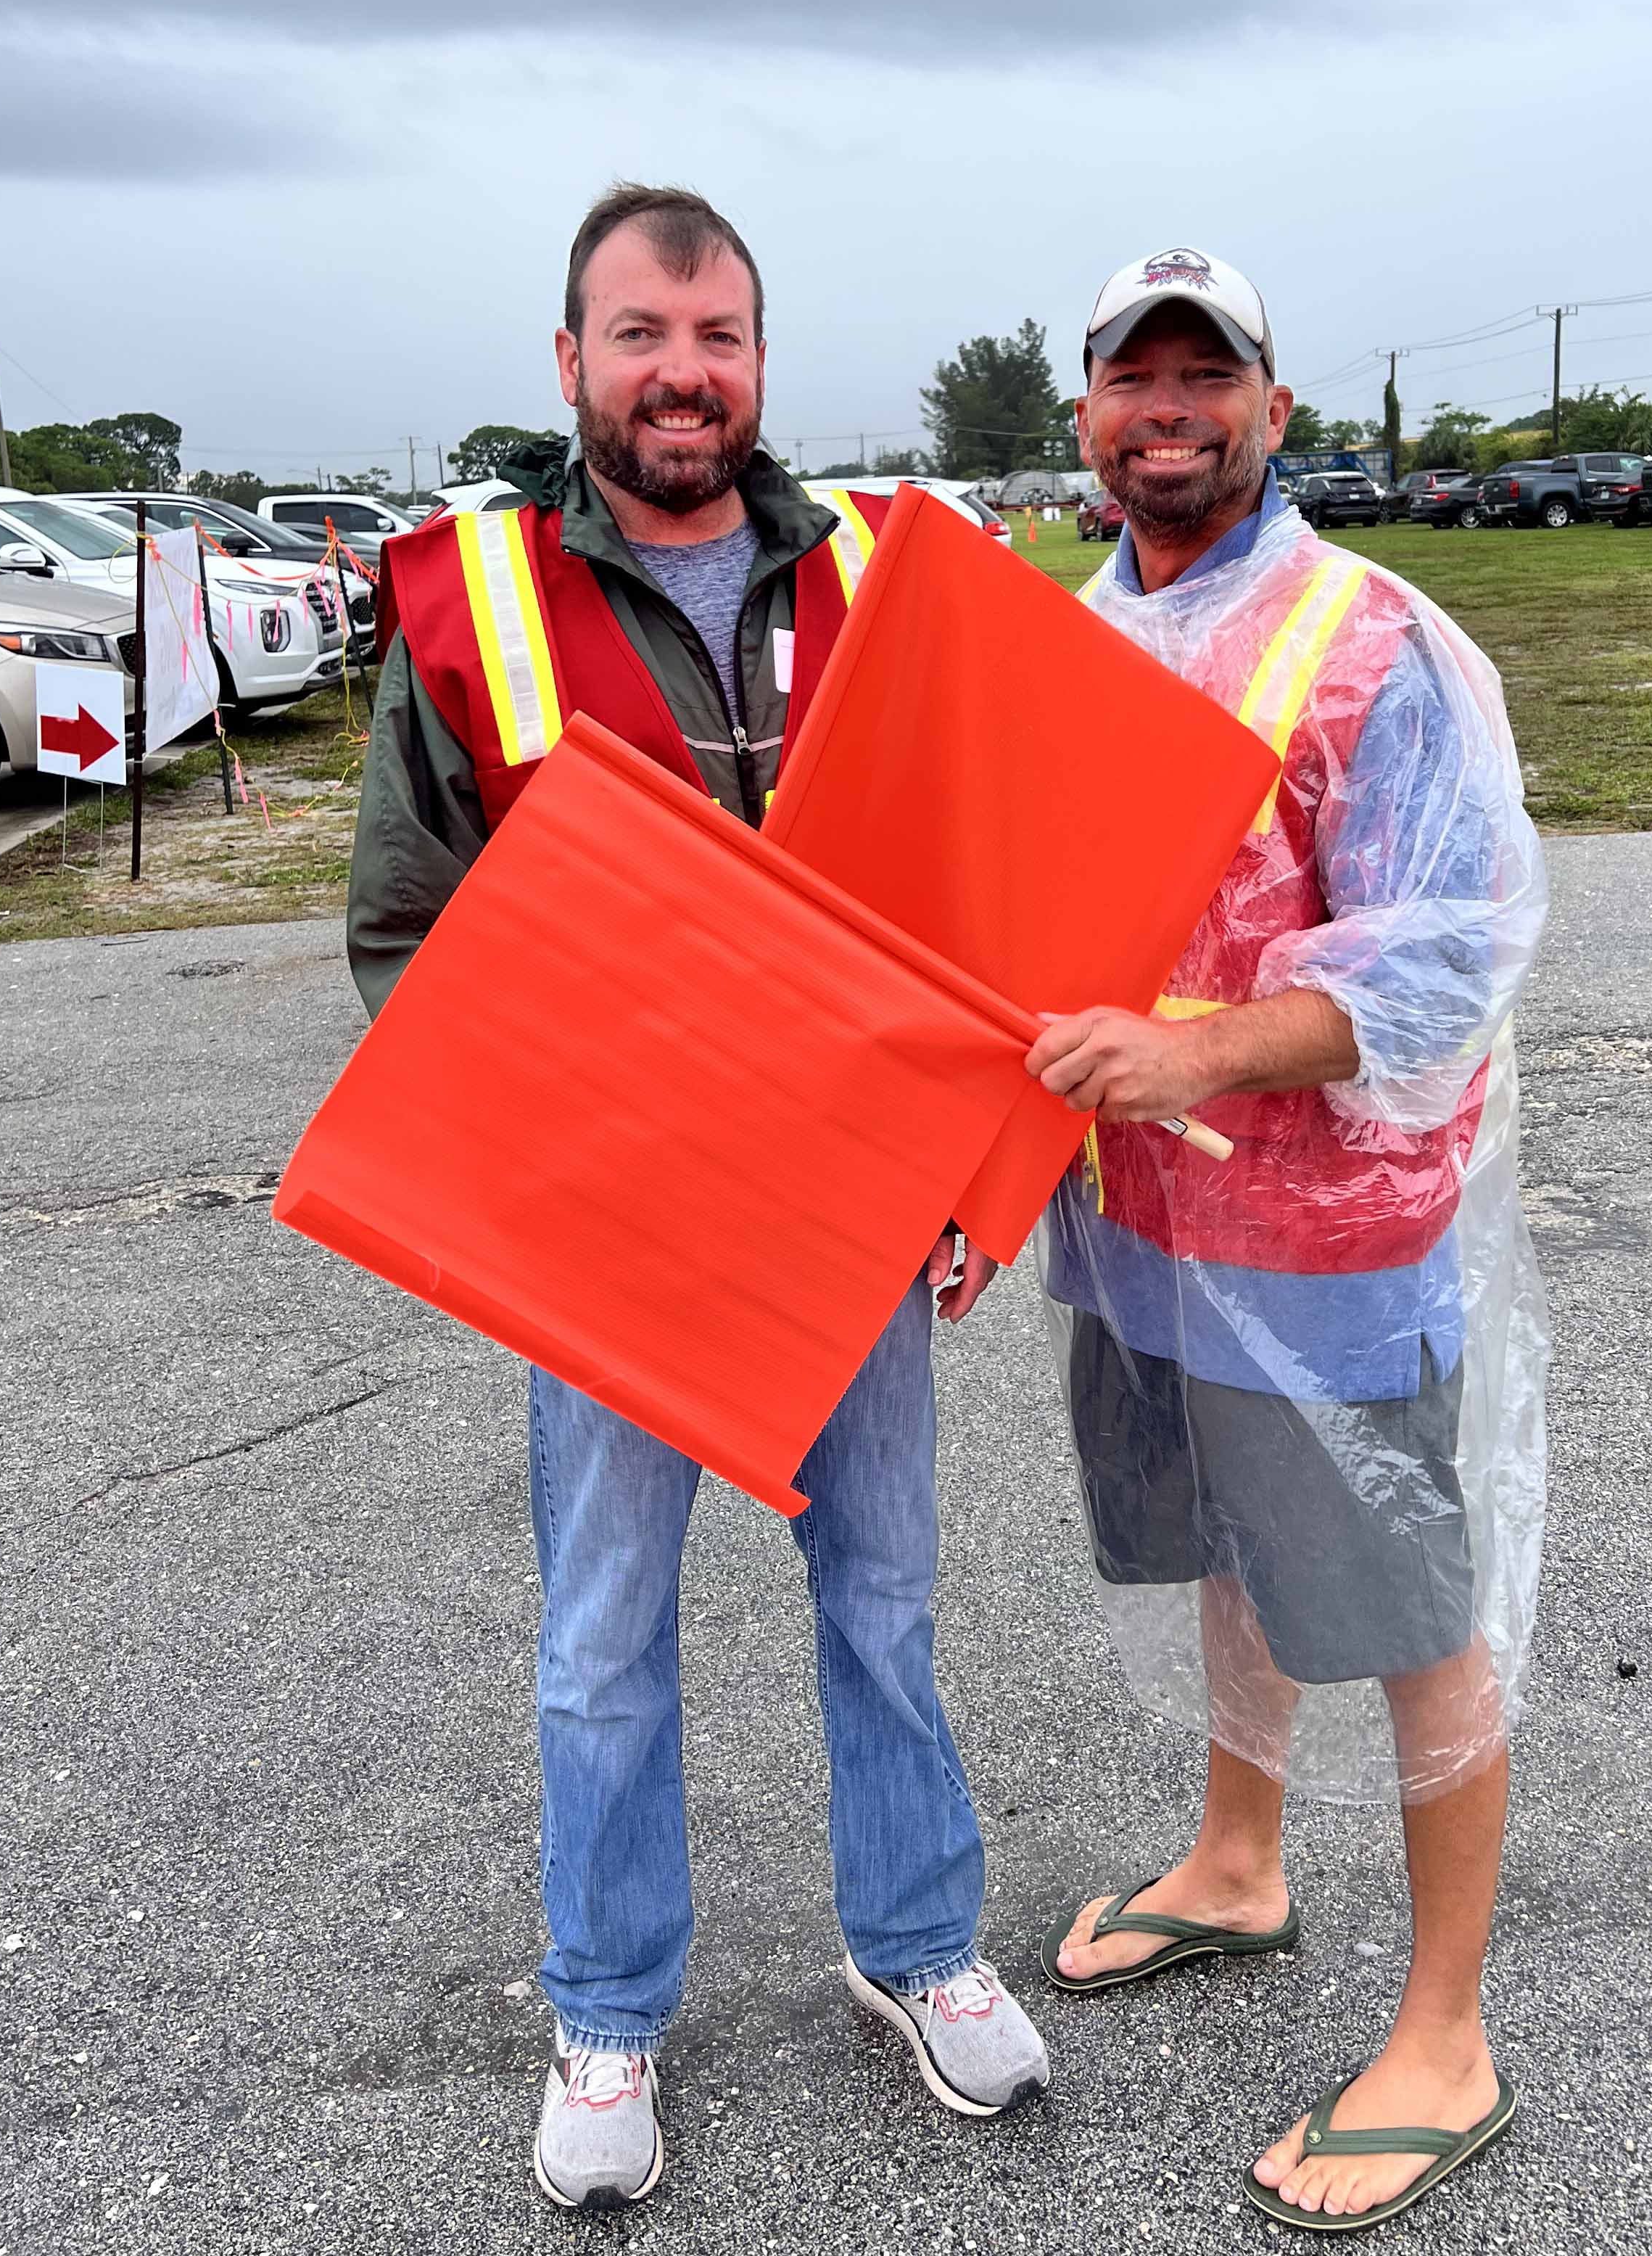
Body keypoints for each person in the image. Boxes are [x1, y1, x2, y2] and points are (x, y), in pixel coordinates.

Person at [344, 182, 1049, 2212]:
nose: (685, 372)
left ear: (760, 359)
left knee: (889, 1604)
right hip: (622, 1230)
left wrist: (969, 1180)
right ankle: (611, 2006)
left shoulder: (883, 580)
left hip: (856, 1225)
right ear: (570, 361)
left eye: (720, 334)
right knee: (602, 1637)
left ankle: (912, 1951)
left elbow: (982, 911)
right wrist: (534, 1186)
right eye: (643, 333)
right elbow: (410, 936)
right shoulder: (474, 599)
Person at [1019, 246, 1549, 2235]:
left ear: (1271, 403)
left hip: (1325, 1249)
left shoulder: (1369, 641)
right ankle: (1239, 1862)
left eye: (1205, 374)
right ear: (1086, 416)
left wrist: (1199, 1049)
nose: (1168, 408)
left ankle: (1448, 2032)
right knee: (1229, 1549)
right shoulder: (1077, 632)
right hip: (1136, 1229)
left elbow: (1447, 962)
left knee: (1411, 1615)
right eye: (1132, 377)